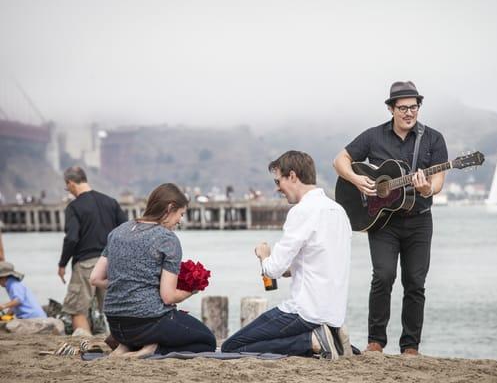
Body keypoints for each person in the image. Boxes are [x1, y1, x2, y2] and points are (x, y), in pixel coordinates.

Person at [333, 81, 448, 355]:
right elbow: (340, 160)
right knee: (383, 277)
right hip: (382, 221)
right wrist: (357, 180)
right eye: (403, 108)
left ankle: (410, 346)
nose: (409, 113)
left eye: (414, 107)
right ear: (391, 109)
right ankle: (376, 342)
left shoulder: (433, 139)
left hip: (420, 220)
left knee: (415, 283)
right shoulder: (374, 137)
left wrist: (426, 188)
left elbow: (438, 181)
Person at [221, 151, 352, 360]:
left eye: (278, 180)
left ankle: (312, 341)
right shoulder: (338, 211)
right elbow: (320, 259)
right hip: (333, 313)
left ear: (292, 176)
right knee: (255, 341)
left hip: (305, 311)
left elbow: (272, 270)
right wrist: (291, 269)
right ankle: (330, 337)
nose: (277, 188)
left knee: (232, 346)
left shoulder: (302, 211)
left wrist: (263, 255)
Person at [90, 183, 216, 357]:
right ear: (170, 207)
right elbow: (168, 296)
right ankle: (153, 349)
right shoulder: (167, 239)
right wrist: (191, 291)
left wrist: (128, 282)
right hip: (148, 323)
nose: (180, 220)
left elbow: (95, 278)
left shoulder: (118, 231)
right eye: (181, 214)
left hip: (116, 325)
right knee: (207, 341)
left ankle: (126, 346)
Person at [58, 166, 127, 335]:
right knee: (113, 310)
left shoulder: (74, 207)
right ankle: (119, 342)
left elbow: (72, 238)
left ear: (70, 183)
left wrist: (62, 264)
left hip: (86, 264)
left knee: (77, 309)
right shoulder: (110, 201)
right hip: (111, 263)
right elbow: (125, 230)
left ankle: (85, 345)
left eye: (67, 187)